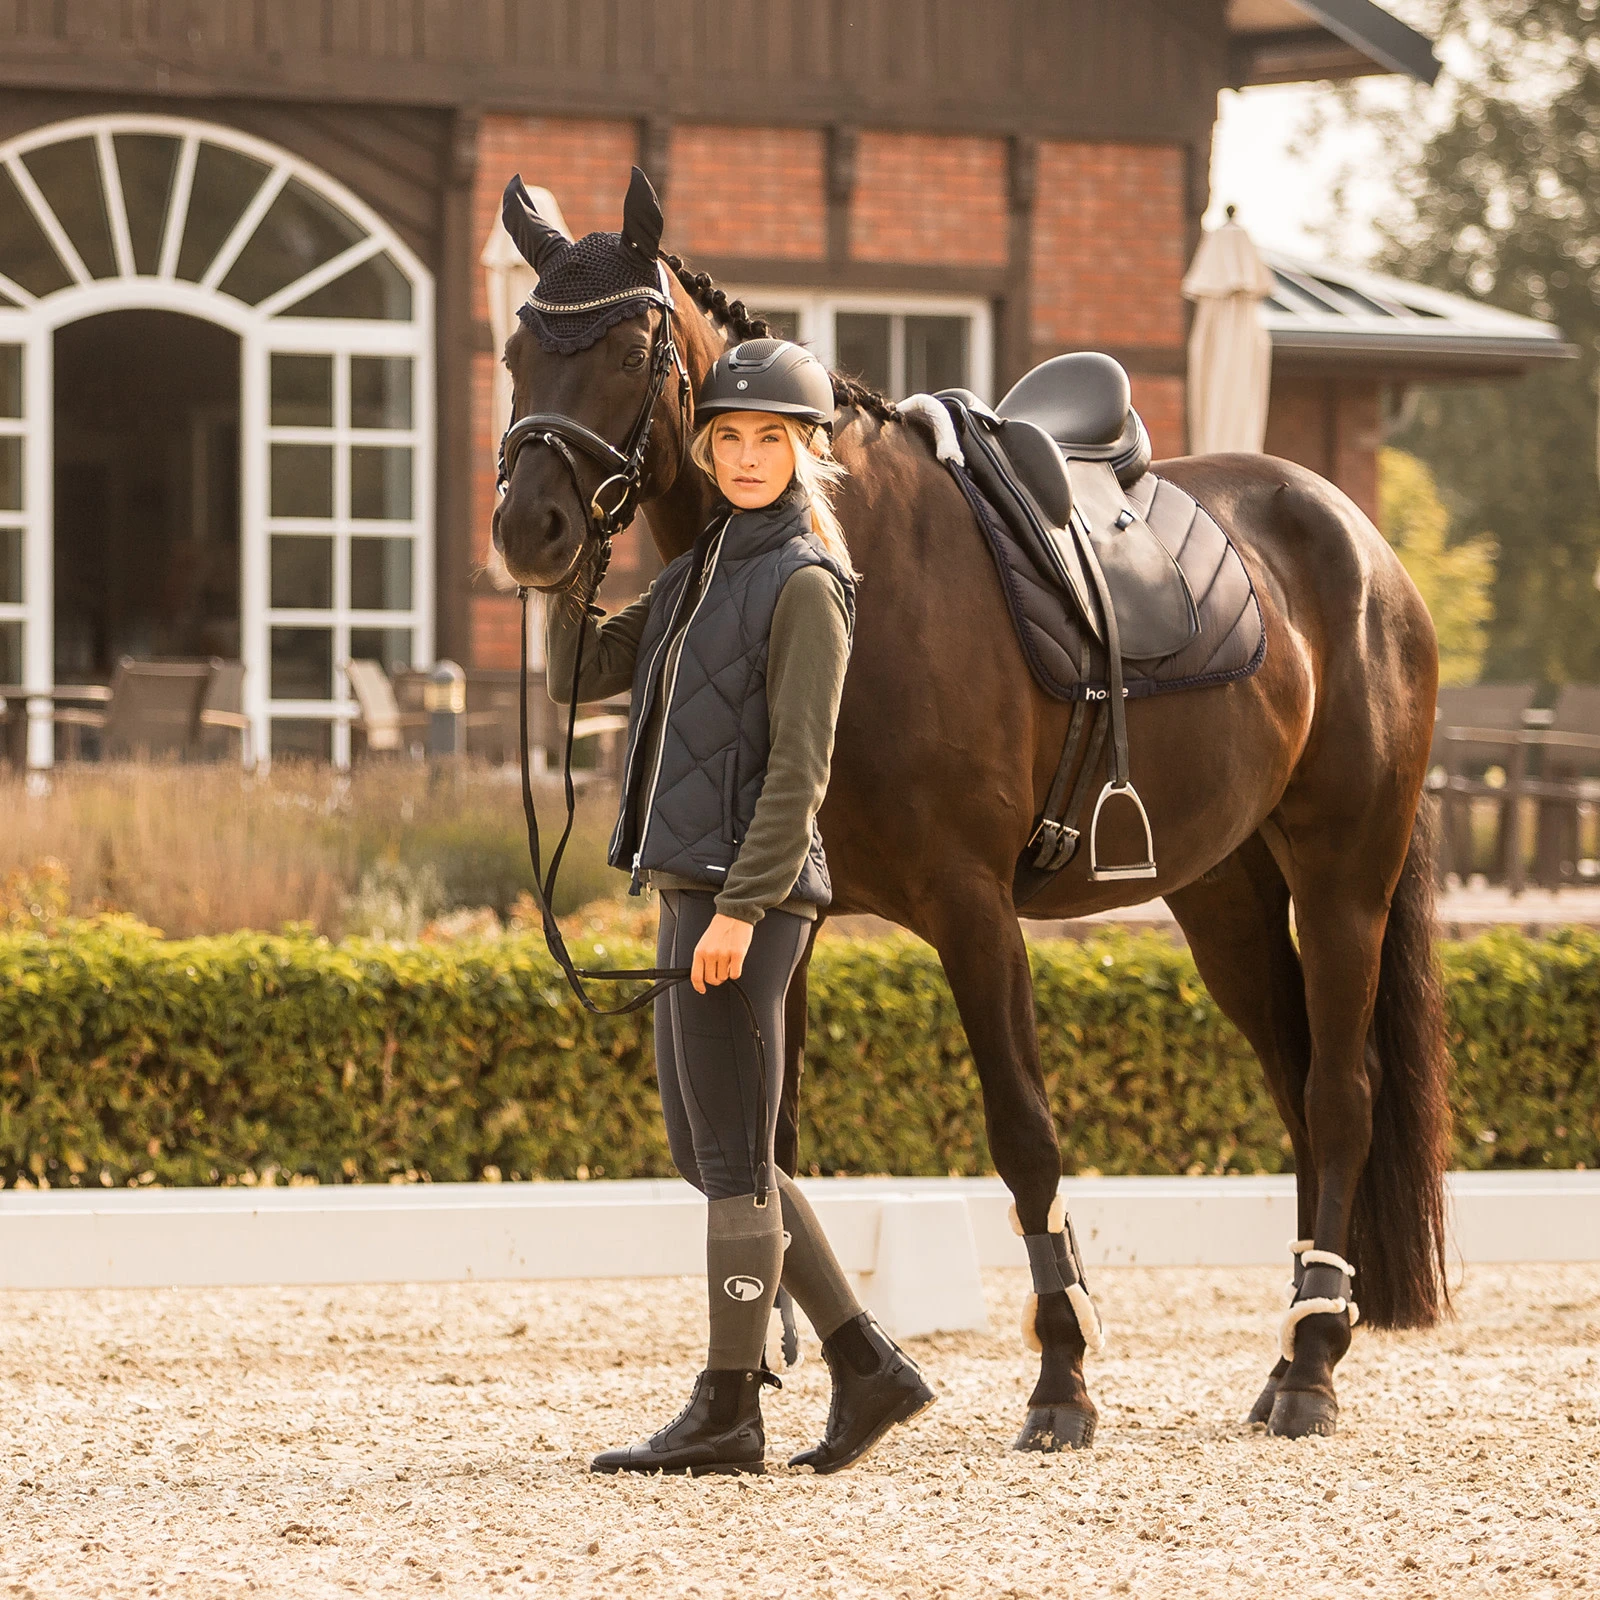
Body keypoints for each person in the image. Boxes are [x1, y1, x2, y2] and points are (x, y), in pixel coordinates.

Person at [547, 339, 935, 1476]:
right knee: (714, 1151)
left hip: (747, 897)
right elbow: (586, 669)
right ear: (707, 452)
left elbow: (800, 771)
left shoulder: (808, 580)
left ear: (806, 450)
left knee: (727, 1160)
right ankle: (867, 1363)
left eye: (775, 437)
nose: (752, 453)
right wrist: (565, 553)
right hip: (694, 881)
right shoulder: (699, 569)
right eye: (732, 437)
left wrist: (740, 911)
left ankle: (729, 1407)